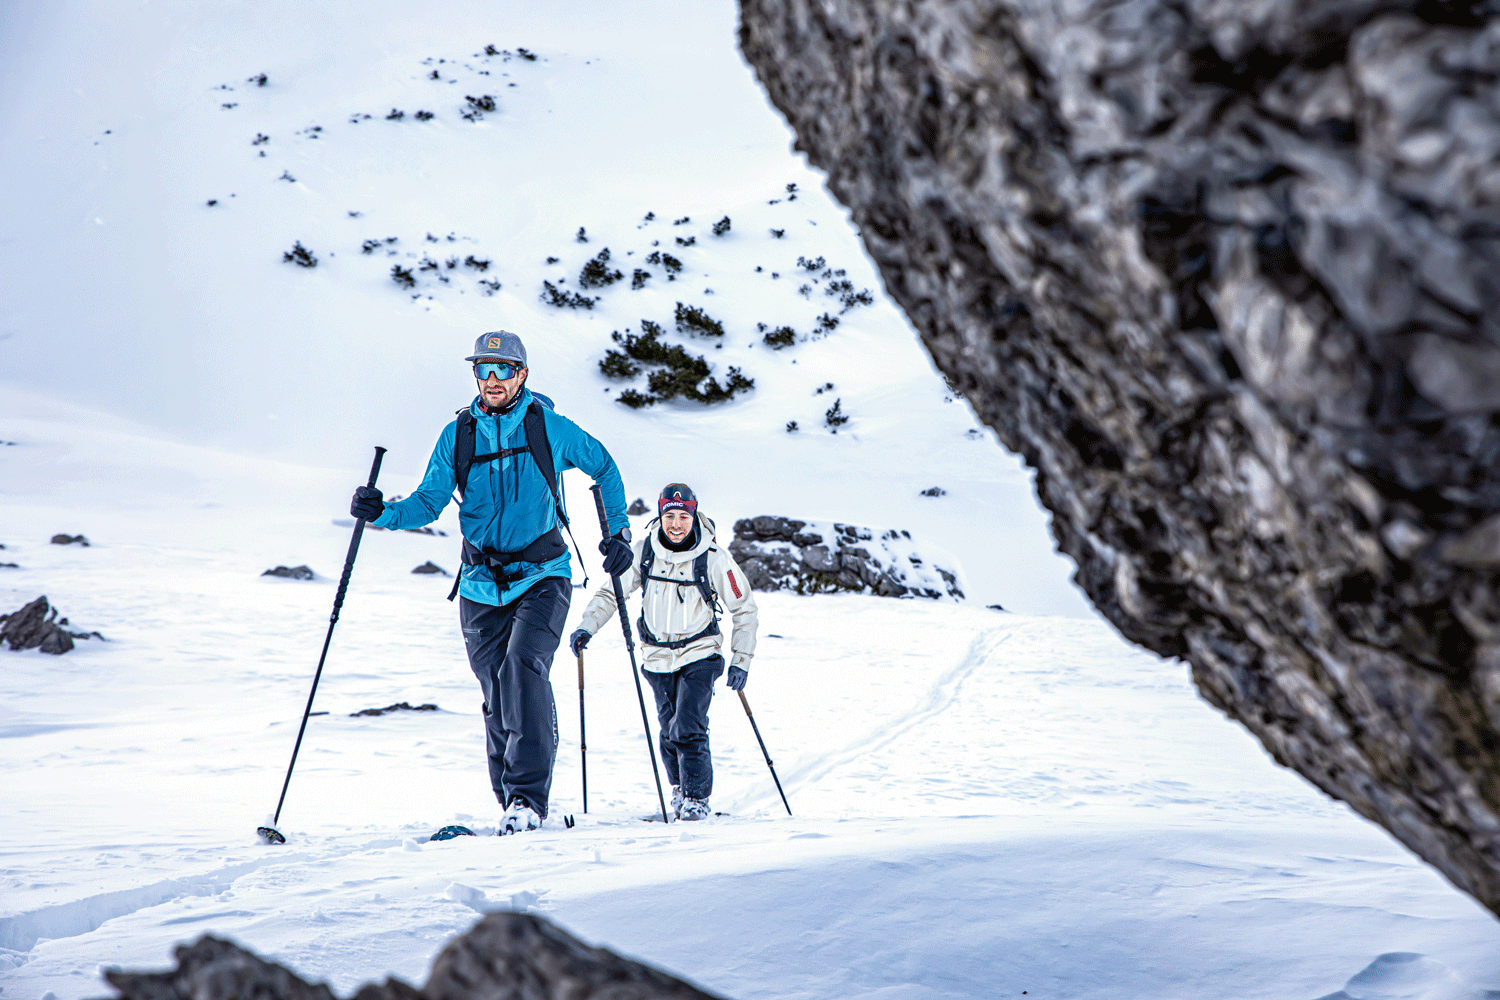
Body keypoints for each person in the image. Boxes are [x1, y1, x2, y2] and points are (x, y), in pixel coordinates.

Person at [350, 331, 632, 834]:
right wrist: (382, 513)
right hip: (480, 582)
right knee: (496, 690)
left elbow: (605, 468)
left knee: (524, 668)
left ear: (522, 375)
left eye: (503, 369)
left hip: (544, 574)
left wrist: (619, 533)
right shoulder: (457, 435)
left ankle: (528, 798)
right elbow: (427, 503)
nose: (493, 379)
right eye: (484, 369)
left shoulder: (550, 428)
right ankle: (510, 799)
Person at [569, 483, 757, 820]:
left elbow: (744, 609)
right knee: (669, 730)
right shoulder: (643, 552)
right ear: (660, 515)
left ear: (693, 515)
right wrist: (587, 626)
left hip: (701, 653)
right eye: (669, 515)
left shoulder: (715, 558)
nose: (675, 524)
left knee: (688, 725)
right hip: (656, 657)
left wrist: (741, 660)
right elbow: (611, 593)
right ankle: (679, 790)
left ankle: (697, 799)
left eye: (683, 516)